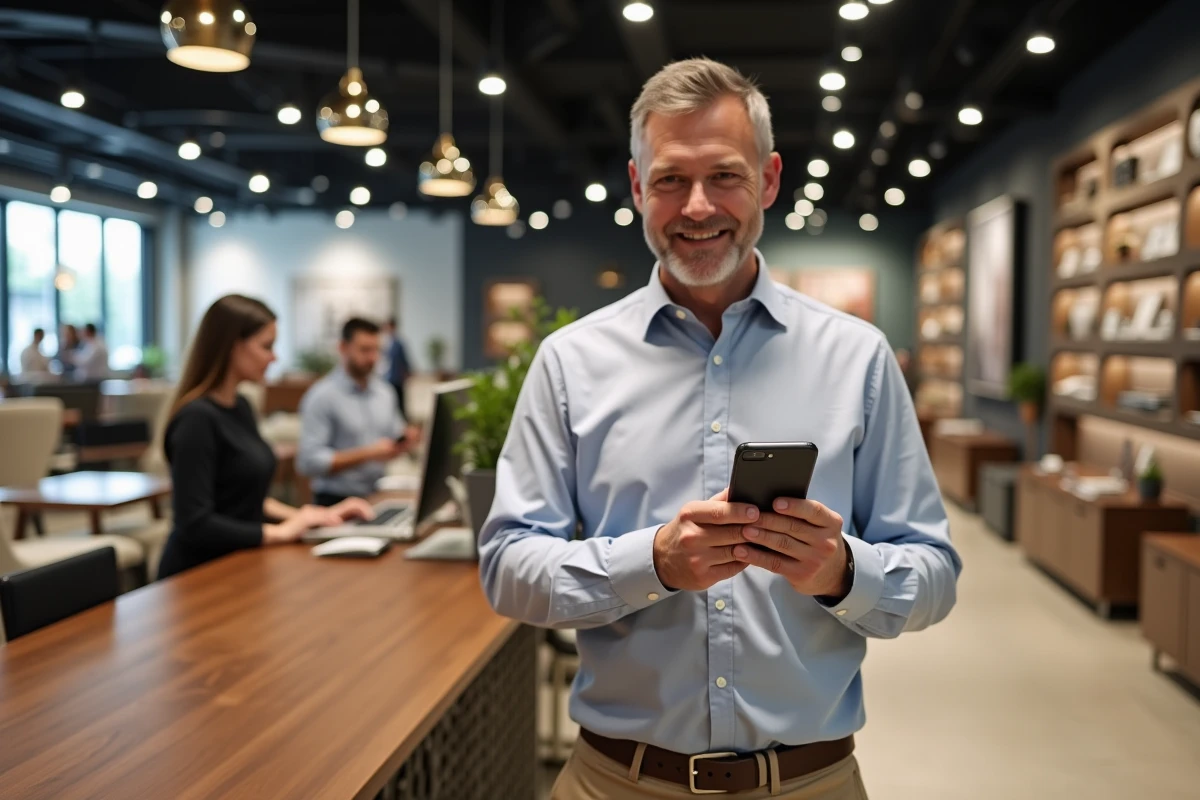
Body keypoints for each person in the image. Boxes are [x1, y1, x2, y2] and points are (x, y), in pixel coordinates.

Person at [479, 59, 961, 800]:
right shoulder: (569, 363)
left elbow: (933, 577)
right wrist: (655, 563)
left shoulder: (855, 358)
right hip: (615, 782)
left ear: (768, 180)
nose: (697, 206)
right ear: (638, 188)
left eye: (725, 177)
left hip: (810, 783)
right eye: (670, 179)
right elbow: (507, 567)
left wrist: (841, 573)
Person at [157, 295, 373, 580]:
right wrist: (280, 532)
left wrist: (309, 516)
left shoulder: (241, 407)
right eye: (266, 346)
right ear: (232, 346)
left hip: (240, 564)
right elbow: (195, 523)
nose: (274, 357)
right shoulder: (196, 420)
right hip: (198, 575)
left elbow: (241, 497)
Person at [297, 317, 418, 507]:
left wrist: (404, 441)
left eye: (376, 350)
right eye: (364, 350)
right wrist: (368, 453)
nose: (373, 358)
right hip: (335, 502)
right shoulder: (321, 397)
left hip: (377, 496)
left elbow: (393, 436)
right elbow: (309, 462)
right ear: (343, 348)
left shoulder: (384, 392)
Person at [385, 317, 412, 421]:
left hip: (397, 379)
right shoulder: (385, 342)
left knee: (400, 404)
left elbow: (405, 360)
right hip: (387, 379)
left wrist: (408, 373)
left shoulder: (399, 343)